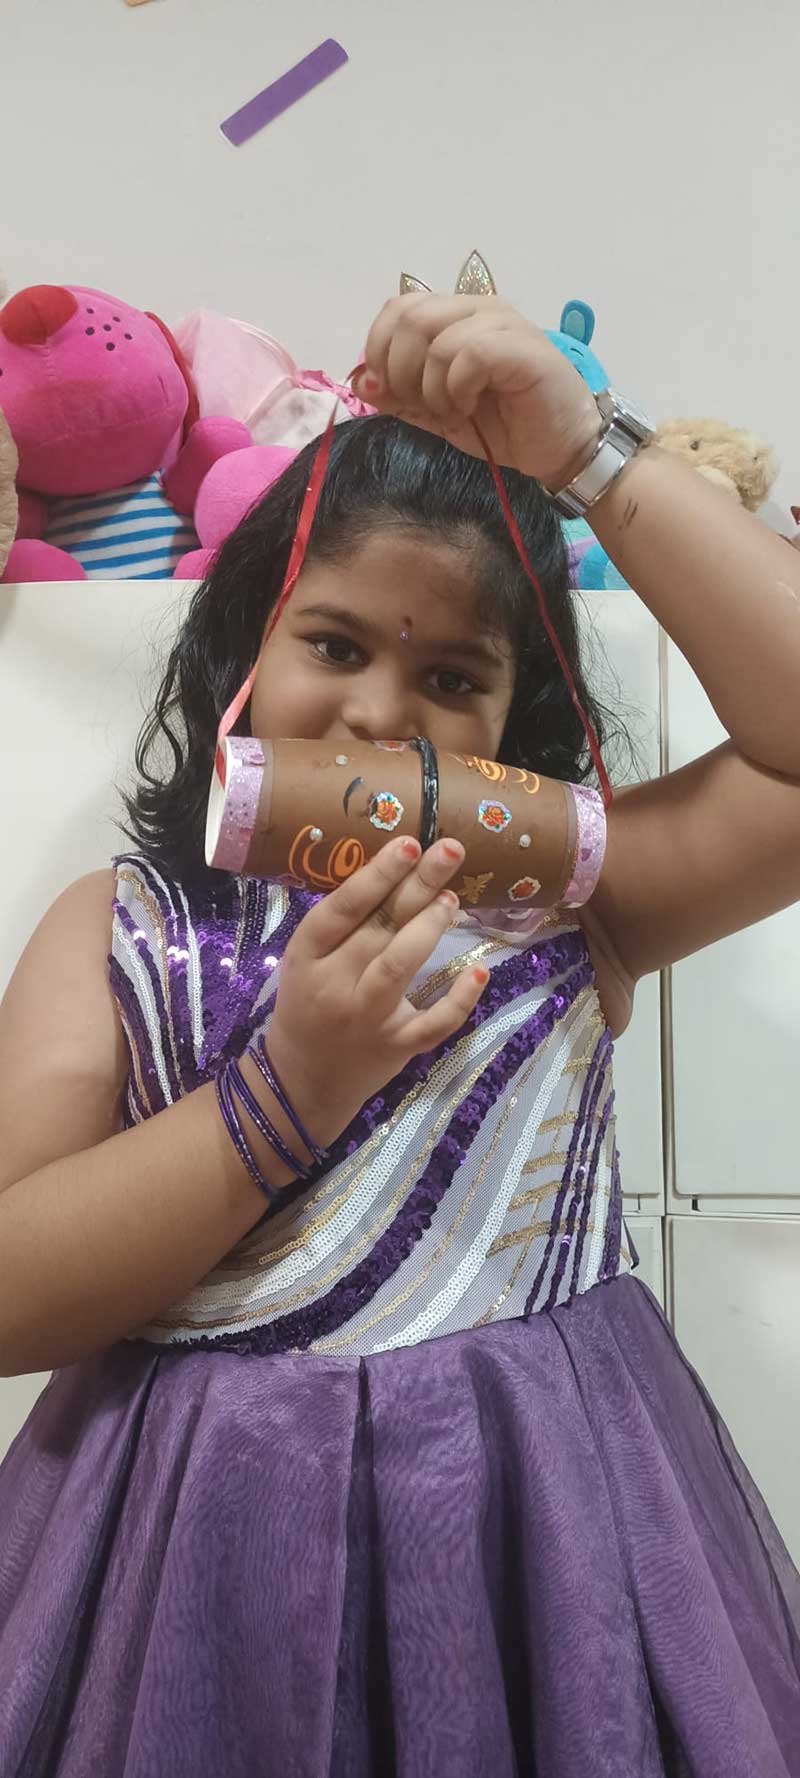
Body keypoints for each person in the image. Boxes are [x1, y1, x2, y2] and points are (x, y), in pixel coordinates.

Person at [1, 290, 799, 1778]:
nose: (382, 715)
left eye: (452, 680)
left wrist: (592, 454)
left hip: (545, 1543)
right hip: (189, 1559)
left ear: (518, 730)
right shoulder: (118, 928)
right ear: (241, 656)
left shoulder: (574, 903)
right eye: (336, 644)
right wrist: (286, 1089)